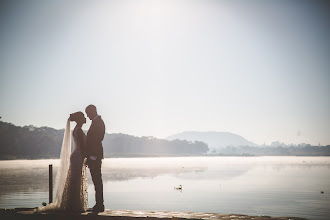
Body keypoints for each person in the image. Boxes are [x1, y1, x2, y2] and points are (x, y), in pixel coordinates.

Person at [37, 112, 88, 213]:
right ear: (78, 119)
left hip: (77, 156)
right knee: (75, 181)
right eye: (83, 117)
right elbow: (82, 147)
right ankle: (74, 206)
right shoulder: (78, 130)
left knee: (75, 181)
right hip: (78, 156)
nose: (85, 118)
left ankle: (73, 204)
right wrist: (87, 156)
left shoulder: (77, 130)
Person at [85, 104, 105, 212]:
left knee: (97, 181)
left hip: (95, 157)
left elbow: (97, 141)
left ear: (93, 111)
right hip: (93, 156)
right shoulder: (95, 122)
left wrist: (93, 156)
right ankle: (99, 204)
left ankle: (100, 205)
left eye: (88, 113)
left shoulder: (99, 123)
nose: (87, 116)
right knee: (96, 181)